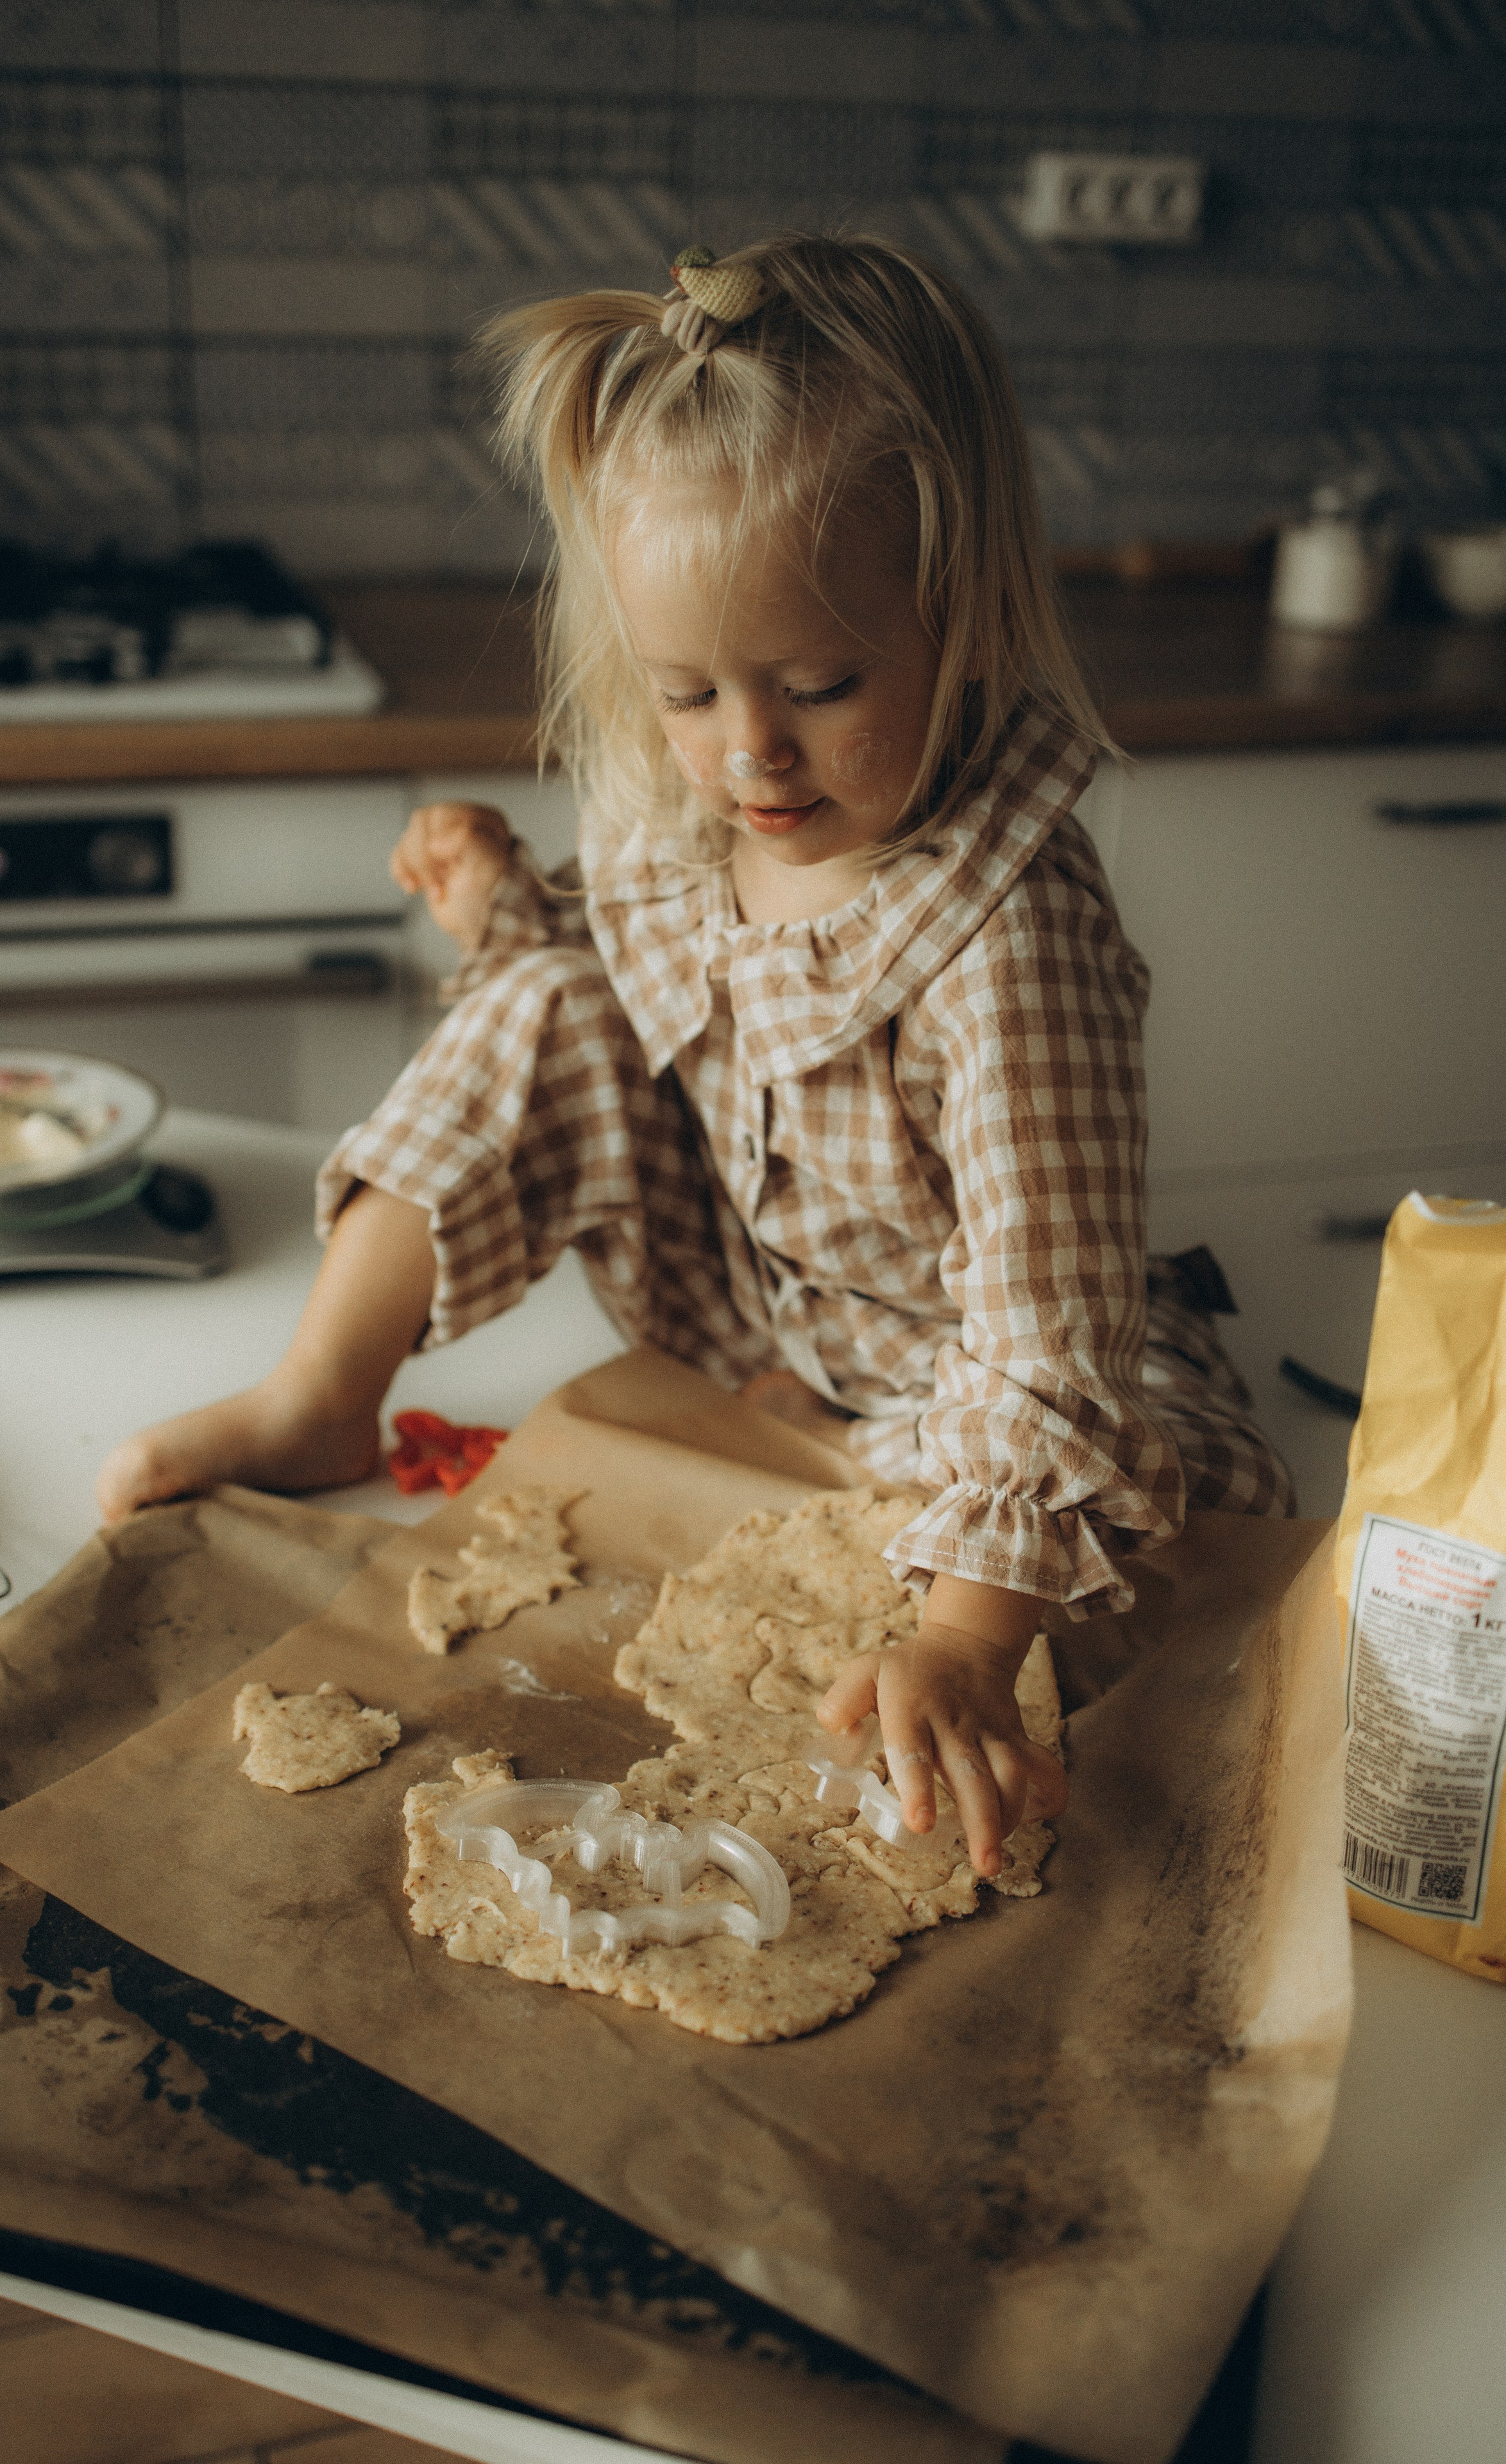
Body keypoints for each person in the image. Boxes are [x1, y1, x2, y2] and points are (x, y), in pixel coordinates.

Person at [99, 236, 1292, 1880]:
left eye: (818, 685)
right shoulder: (702, 803)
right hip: (750, 1299)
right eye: (684, 693)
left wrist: (960, 1644)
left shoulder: (1011, 935)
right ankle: (323, 1392)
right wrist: (502, 905)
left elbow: (1043, 1324)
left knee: (1168, 1560)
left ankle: (954, 1600)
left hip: (976, 1367)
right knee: (543, 1006)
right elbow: (618, 982)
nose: (748, 751)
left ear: (964, 607)